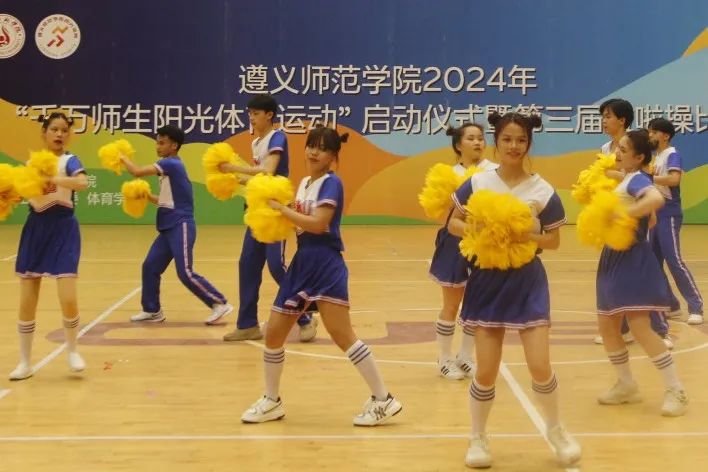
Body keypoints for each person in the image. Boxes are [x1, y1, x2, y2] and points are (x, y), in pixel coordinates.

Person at [240, 126, 402, 426]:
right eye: (311, 145)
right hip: (302, 262)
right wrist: (269, 204)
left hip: (326, 263)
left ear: (333, 157)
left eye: (323, 148)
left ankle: (384, 398)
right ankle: (271, 400)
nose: (314, 152)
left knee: (342, 335)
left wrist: (281, 209)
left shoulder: (332, 183)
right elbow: (298, 220)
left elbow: (318, 224)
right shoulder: (303, 184)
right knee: (274, 333)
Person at [448, 112, 581, 468]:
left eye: (521, 140)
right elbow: (453, 222)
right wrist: (479, 230)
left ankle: (556, 429)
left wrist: (523, 235)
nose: (514, 146)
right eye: (507, 139)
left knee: (540, 365)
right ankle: (478, 437)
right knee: (486, 371)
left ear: (529, 143)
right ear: (497, 141)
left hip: (527, 281)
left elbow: (553, 240)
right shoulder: (478, 182)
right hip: (487, 280)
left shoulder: (542, 190)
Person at [595, 129, 688, 417]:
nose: (617, 152)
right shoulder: (626, 179)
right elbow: (651, 216)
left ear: (638, 158)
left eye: (623, 149)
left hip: (632, 258)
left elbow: (655, 199)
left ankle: (676, 389)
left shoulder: (638, 179)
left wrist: (626, 214)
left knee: (639, 327)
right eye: (618, 148)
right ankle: (626, 385)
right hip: (611, 256)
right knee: (607, 325)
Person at [220, 94, 317, 342]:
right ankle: (247, 325)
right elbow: (259, 178)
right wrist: (232, 179)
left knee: (276, 266)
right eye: (249, 113)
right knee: (247, 265)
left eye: (255, 113)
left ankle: (306, 317)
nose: (251, 118)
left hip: (276, 211)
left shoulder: (277, 137)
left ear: (269, 115)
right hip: (258, 211)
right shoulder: (256, 143)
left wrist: (234, 168)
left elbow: (268, 169)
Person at [120, 125, 233, 325]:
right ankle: (152, 310)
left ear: (174, 146)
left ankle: (219, 303)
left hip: (181, 225)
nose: (158, 146)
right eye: (157, 142)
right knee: (150, 266)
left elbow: (137, 172)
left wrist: (121, 157)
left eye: (162, 143)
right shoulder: (169, 169)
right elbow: (167, 201)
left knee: (185, 272)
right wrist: (147, 196)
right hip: (168, 227)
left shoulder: (171, 164)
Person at [10, 112, 89, 380]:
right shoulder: (31, 164)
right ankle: (24, 362)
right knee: (27, 300)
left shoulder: (70, 161)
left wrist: (52, 179)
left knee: (68, 297)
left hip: (63, 229)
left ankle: (72, 350)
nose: (59, 134)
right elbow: (23, 192)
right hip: (36, 229)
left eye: (64, 130)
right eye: (54, 129)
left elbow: (82, 182)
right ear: (44, 133)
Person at [593, 98, 670, 346]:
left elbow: (642, 183)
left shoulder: (636, 144)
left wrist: (633, 212)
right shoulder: (605, 148)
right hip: (616, 220)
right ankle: (621, 329)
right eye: (602, 116)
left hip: (634, 217)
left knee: (641, 275)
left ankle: (660, 330)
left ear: (622, 120)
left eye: (608, 116)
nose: (604, 121)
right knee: (617, 278)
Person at [430, 123, 497, 380]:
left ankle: (466, 356)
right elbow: (441, 214)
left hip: (485, 243)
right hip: (454, 243)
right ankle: (444, 358)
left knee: (476, 301)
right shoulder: (447, 175)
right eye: (471, 138)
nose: (478, 142)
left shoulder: (494, 171)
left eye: (481, 138)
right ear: (459, 145)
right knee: (451, 303)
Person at [647, 118, 703, 325]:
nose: (650, 136)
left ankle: (696, 306)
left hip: (668, 214)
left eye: (653, 132)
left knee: (674, 261)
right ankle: (671, 305)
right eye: (649, 132)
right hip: (653, 213)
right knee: (653, 264)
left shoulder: (672, 154)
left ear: (665, 135)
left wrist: (648, 178)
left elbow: (674, 179)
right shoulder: (656, 157)